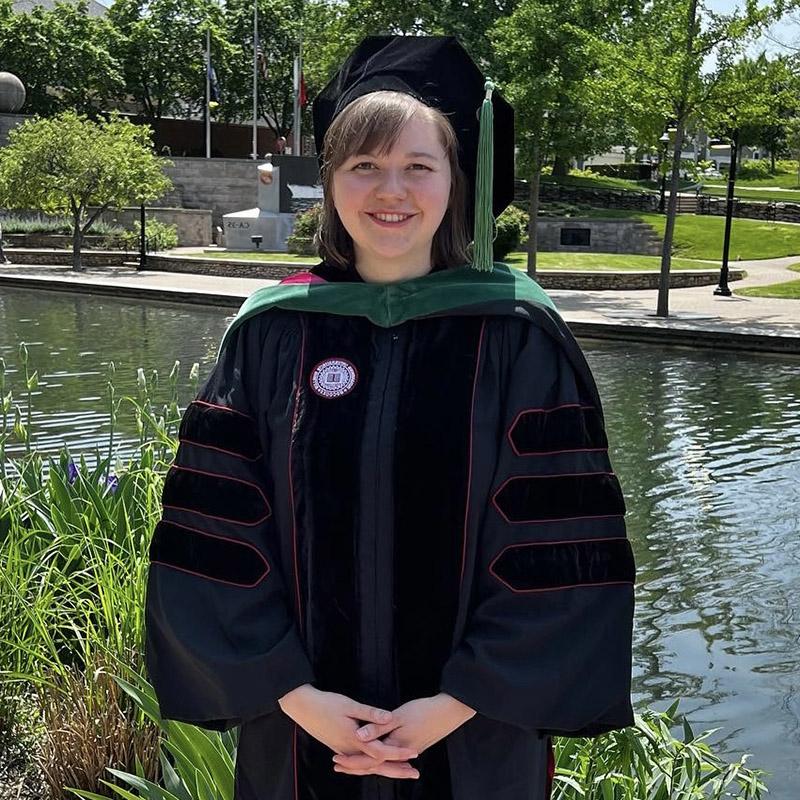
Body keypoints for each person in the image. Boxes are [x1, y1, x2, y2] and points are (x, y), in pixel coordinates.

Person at [144, 35, 636, 800]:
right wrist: (298, 698)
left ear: (457, 180)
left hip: (474, 736)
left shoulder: (516, 337)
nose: (390, 190)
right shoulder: (273, 332)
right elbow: (217, 533)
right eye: (363, 165)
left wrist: (453, 705)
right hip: (303, 734)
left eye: (418, 166)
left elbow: (560, 550)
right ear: (331, 181)